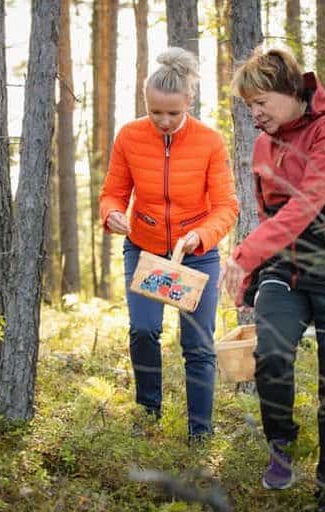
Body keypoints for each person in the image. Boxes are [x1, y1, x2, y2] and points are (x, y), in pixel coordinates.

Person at [221, 46, 325, 512]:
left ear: (291, 90)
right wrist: (248, 275)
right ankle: (281, 445)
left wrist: (243, 254)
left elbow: (306, 205)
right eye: (249, 105)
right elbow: (270, 214)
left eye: (261, 101)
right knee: (269, 352)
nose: (255, 113)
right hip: (285, 272)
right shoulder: (261, 142)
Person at [99, 47, 239, 441]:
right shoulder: (129, 136)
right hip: (144, 250)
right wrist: (111, 215)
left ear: (188, 103)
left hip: (197, 256)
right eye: (155, 112)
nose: (163, 121)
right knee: (143, 331)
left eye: (172, 114)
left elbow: (227, 206)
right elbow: (112, 192)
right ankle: (148, 418)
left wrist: (201, 235)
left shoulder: (209, 142)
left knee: (197, 343)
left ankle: (200, 432)